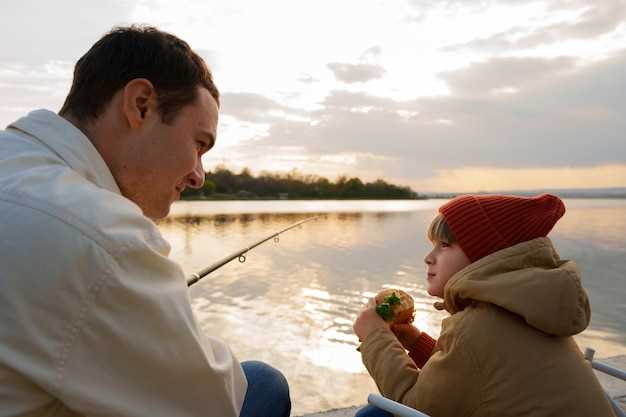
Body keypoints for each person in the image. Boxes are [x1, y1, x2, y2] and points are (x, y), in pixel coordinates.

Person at [0, 26, 290, 417]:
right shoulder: (103, 233)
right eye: (199, 144)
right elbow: (212, 406)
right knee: (264, 383)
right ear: (140, 105)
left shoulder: (15, 161)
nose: (199, 176)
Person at [353, 194, 616, 417]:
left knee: (376, 414)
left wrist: (374, 336)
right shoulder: (523, 310)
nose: (428, 258)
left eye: (444, 245)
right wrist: (415, 341)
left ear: (483, 257)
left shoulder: (476, 327)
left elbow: (414, 407)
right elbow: (476, 373)